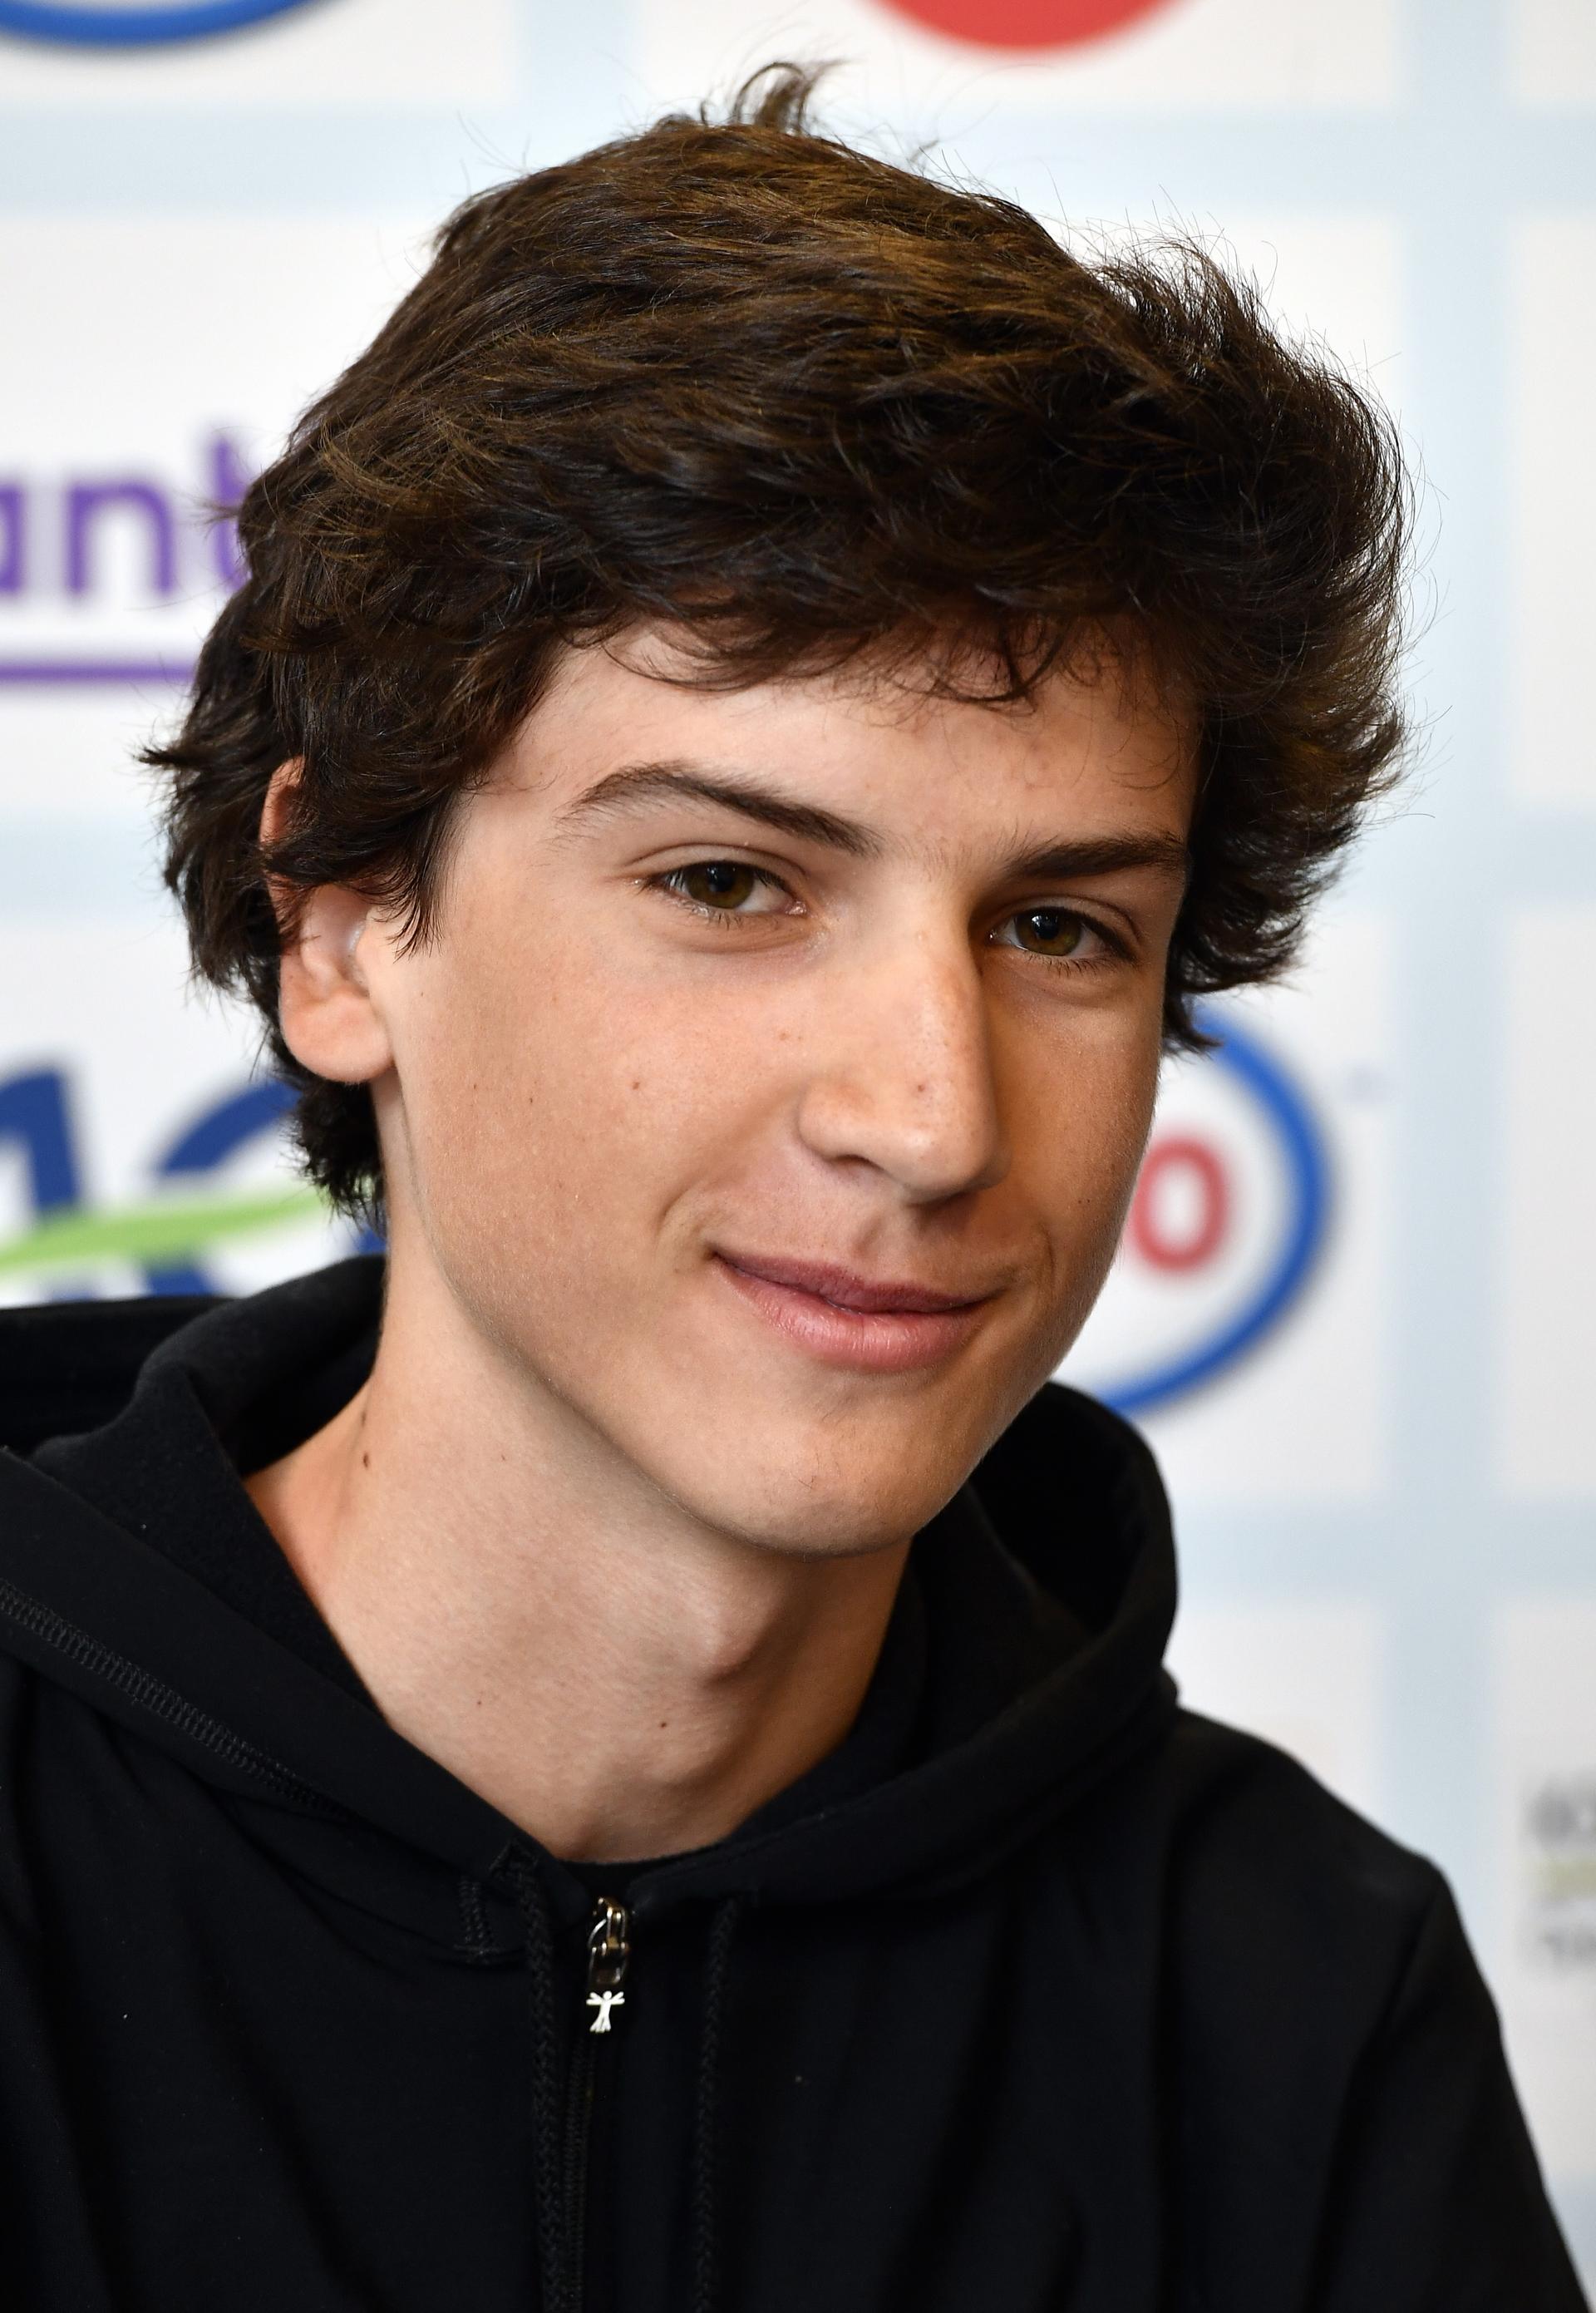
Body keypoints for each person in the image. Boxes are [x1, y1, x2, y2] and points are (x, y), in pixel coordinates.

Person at [0, 65, 1583, 2313]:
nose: (935, 1121)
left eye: (1058, 929)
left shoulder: (1296, 1998)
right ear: (342, 922)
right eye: (733, 880)